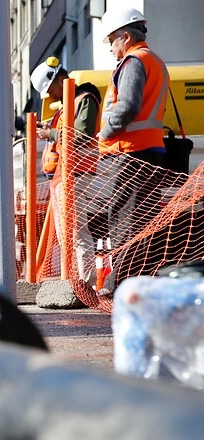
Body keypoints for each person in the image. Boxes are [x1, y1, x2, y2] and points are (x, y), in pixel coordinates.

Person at [93, 7, 170, 296]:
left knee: (122, 220)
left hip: (129, 154)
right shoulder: (155, 61)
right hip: (148, 152)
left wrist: (106, 131)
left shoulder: (134, 61)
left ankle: (121, 284)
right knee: (141, 220)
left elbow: (127, 106)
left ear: (125, 37)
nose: (112, 49)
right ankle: (138, 282)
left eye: (112, 41)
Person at [31, 56, 102, 283]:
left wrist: (50, 134)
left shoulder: (84, 100)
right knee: (67, 236)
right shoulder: (67, 107)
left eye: (51, 90)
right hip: (66, 175)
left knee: (77, 233)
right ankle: (76, 281)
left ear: (60, 79)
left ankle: (86, 284)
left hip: (78, 174)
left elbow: (82, 137)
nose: (51, 96)